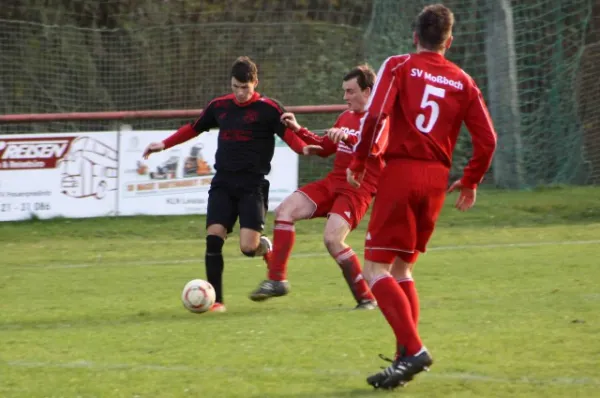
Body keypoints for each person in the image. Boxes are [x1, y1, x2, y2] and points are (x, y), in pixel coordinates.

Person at [346, 4, 497, 389]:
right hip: (435, 180)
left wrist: (360, 161)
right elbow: (488, 140)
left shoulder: (399, 65)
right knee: (403, 271)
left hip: (400, 172)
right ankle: (402, 360)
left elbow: (375, 116)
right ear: (449, 41)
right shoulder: (463, 81)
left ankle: (413, 349)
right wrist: (471, 180)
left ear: (415, 37)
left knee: (374, 270)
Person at [143, 56, 317, 313]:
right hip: (223, 182)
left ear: (255, 83)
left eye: (245, 87)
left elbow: (289, 135)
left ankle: (263, 247)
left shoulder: (270, 109)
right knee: (213, 239)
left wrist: (303, 149)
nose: (240, 92)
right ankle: (217, 301)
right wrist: (163, 144)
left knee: (248, 248)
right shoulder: (219, 106)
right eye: (236, 86)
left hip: (252, 185)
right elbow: (194, 128)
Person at [248, 64, 389, 310]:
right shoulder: (346, 116)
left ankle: (365, 297)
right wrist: (298, 129)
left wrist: (346, 138)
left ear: (367, 92)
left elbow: (373, 149)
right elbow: (324, 148)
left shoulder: (381, 119)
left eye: (350, 91)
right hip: (333, 183)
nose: (345, 97)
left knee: (333, 239)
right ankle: (277, 279)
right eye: (344, 91)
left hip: (357, 189)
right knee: (285, 211)